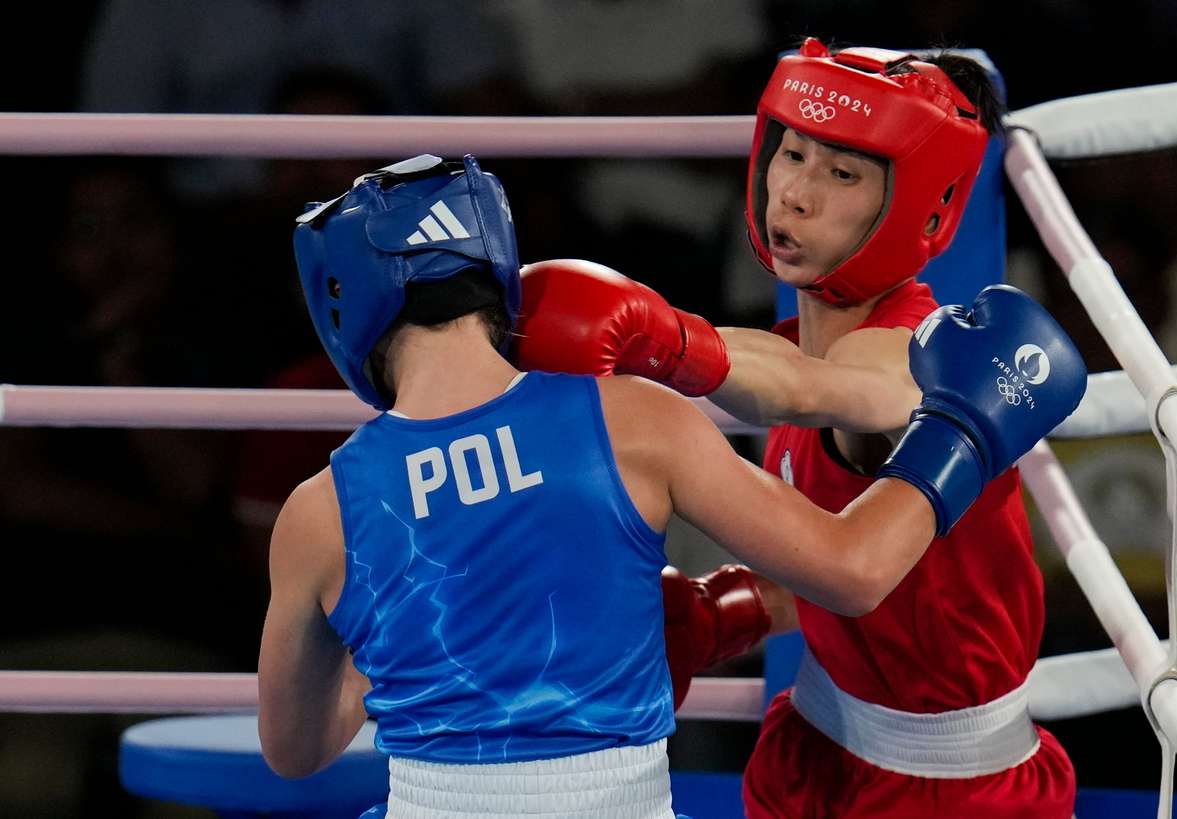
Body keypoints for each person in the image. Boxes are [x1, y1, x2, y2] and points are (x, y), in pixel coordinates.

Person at [256, 151, 1084, 818]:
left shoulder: (319, 512)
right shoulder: (633, 421)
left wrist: (424, 643)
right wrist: (965, 431)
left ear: (344, 304)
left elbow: (293, 750)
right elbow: (855, 569)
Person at [515, 39, 1081, 818]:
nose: (796, 196)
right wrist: (732, 609)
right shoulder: (793, 344)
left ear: (922, 204)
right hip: (813, 740)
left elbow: (815, 390)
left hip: (952, 791)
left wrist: (662, 338)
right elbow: (832, 554)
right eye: (792, 154)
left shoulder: (910, 360)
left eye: (842, 173)